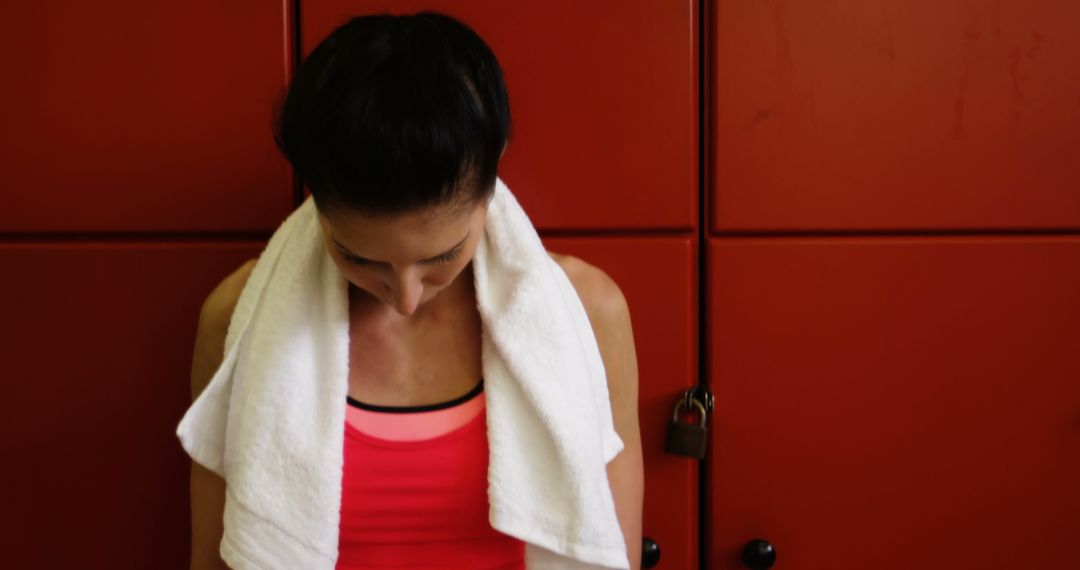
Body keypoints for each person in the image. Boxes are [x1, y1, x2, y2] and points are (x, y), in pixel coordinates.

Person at [187, 11, 642, 569]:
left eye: (442, 256)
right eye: (357, 256)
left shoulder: (588, 315)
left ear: (490, 181)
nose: (404, 297)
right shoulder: (237, 318)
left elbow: (609, 546)